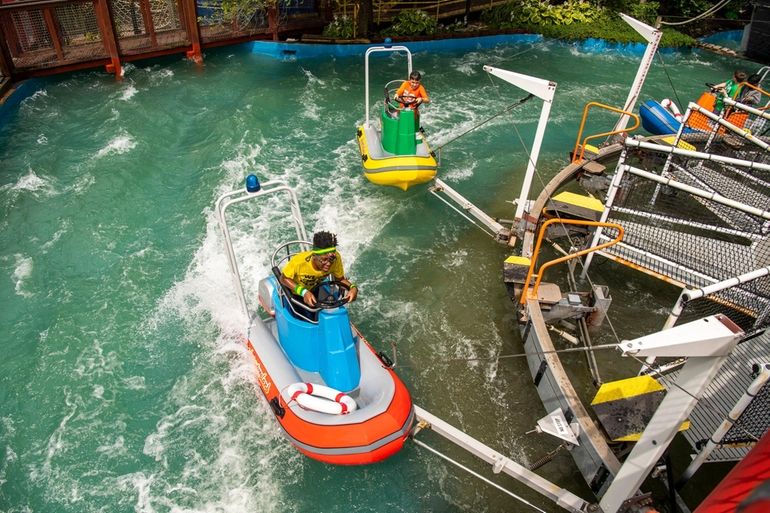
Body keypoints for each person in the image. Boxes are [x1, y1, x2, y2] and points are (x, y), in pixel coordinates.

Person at [279, 231, 358, 309]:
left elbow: (340, 279)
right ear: (314, 256)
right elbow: (283, 278)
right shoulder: (299, 262)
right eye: (324, 260)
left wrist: (353, 287)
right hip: (295, 292)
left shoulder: (336, 258)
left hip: (315, 288)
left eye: (331, 259)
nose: (328, 264)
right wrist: (303, 292)